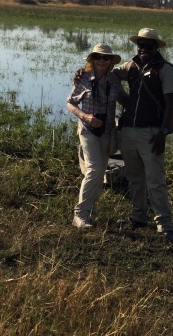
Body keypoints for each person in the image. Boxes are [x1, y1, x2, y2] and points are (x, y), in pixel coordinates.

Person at [113, 28, 173, 244]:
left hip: (151, 133)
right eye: (140, 45)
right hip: (128, 131)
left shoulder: (165, 69)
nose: (143, 49)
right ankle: (139, 216)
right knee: (134, 178)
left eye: (148, 46)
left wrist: (163, 132)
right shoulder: (131, 66)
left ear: (156, 48)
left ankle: (164, 225)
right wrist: (122, 97)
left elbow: (170, 103)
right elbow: (111, 73)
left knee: (155, 180)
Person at [67, 43, 122, 229]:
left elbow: (125, 99)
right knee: (95, 169)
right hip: (87, 130)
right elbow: (70, 103)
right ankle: (80, 214)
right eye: (97, 57)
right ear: (92, 59)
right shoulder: (83, 78)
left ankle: (91, 208)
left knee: (99, 175)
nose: (101, 60)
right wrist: (85, 116)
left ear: (110, 61)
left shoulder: (114, 80)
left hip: (107, 131)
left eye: (106, 58)